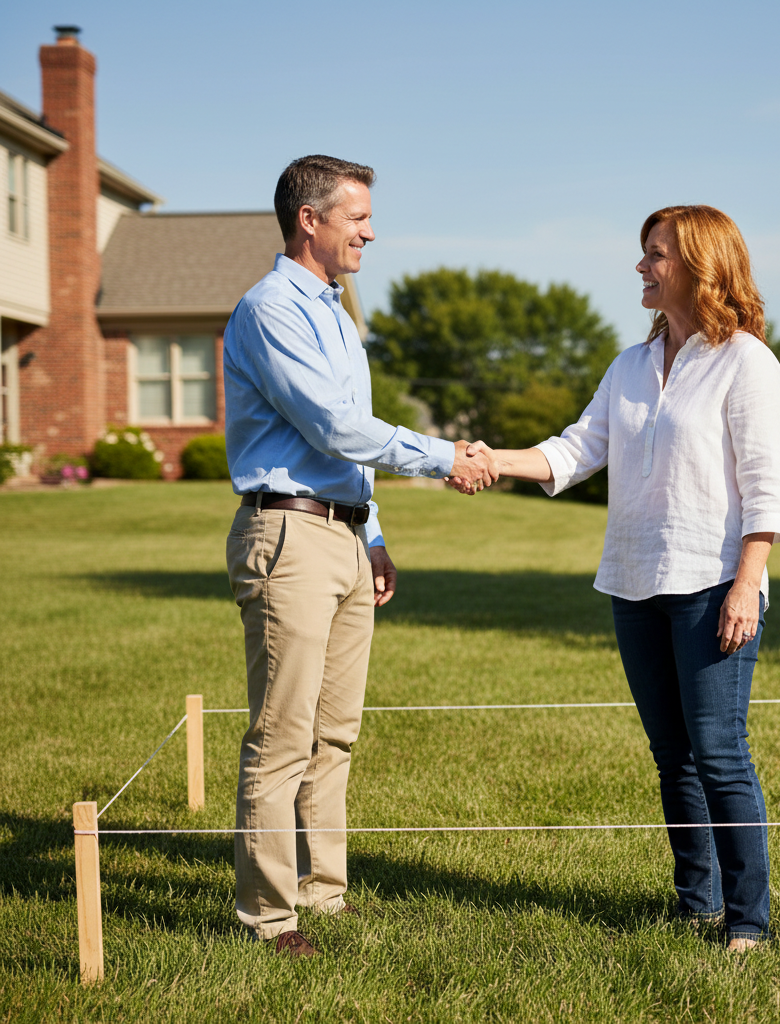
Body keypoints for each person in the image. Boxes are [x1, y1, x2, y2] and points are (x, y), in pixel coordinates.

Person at [457, 205, 780, 950]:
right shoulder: (630, 367)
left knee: (720, 750)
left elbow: (766, 489)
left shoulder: (746, 362)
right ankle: (695, 903)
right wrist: (490, 459)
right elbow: (576, 451)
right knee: (671, 755)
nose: (642, 267)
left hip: (712, 583)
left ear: (701, 265)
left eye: (655, 254)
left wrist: (747, 584)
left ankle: (748, 924)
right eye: (644, 253)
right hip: (635, 584)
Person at [223, 154, 498, 957]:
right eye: (357, 217)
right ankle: (271, 917)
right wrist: (447, 454)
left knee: (335, 732)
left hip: (341, 535)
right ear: (309, 220)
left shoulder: (339, 315)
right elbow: (335, 429)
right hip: (288, 536)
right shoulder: (272, 309)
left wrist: (372, 535)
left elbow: (352, 453)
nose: (370, 231)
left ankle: (324, 891)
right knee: (281, 735)